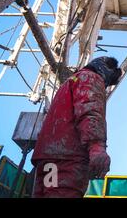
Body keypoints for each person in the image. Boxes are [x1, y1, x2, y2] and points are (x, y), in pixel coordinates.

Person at [31, 56, 122, 198]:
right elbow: (90, 112)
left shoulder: (71, 81)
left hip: (48, 160)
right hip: (67, 159)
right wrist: (96, 147)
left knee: (49, 193)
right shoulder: (90, 78)